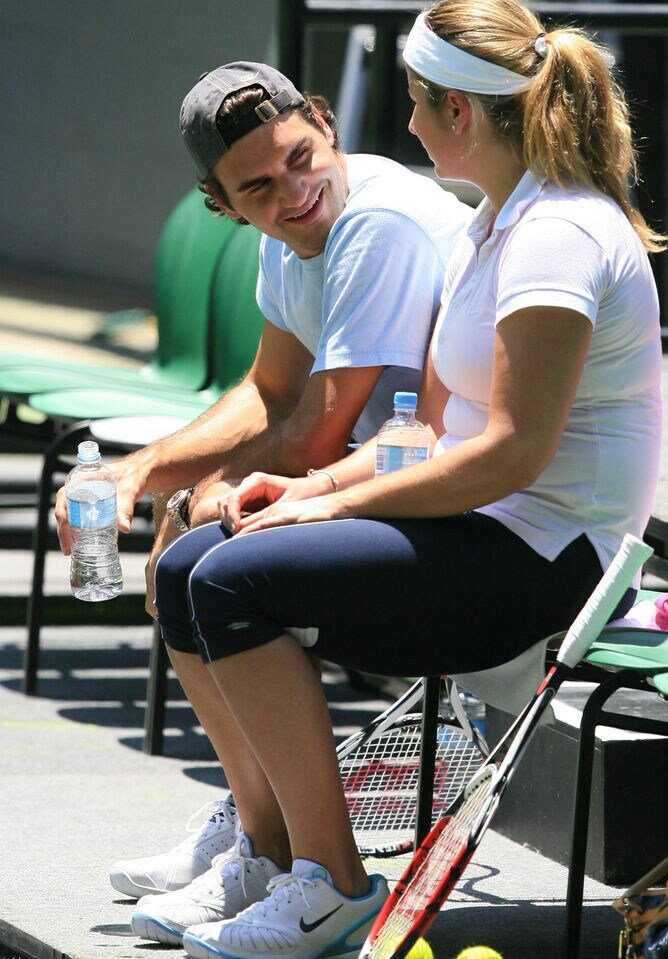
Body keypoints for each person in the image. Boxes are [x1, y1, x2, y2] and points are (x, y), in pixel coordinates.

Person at [136, 0, 666, 959]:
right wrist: (289, 485)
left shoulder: (560, 237)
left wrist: (326, 501)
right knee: (188, 566)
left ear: (460, 113)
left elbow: (509, 454)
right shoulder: (488, 226)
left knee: (231, 580)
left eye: (420, 104)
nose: (410, 124)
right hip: (482, 528)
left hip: (553, 563)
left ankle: (332, 884)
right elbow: (423, 435)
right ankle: (268, 850)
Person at [55, 64, 470, 898]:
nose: (293, 192)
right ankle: (261, 834)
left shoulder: (375, 220)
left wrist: (193, 500)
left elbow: (314, 426)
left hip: (443, 493)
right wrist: (141, 473)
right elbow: (266, 391)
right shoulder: (289, 241)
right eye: (258, 187)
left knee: (211, 569)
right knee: (187, 564)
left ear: (321, 121)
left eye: (300, 157)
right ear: (223, 204)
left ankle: (308, 867)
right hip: (375, 476)